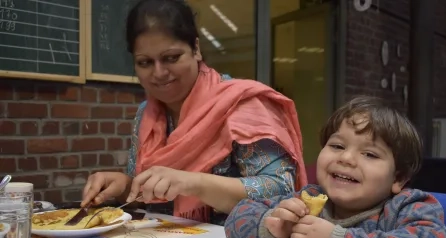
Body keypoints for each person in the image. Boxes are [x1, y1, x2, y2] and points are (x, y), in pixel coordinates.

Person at [80, 0, 307, 225]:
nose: (159, 72)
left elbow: (281, 190)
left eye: (171, 58)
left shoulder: (240, 105)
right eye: (145, 62)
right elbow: (146, 197)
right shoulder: (146, 116)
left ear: (196, 49)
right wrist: (124, 186)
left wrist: (195, 183)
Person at [224, 96, 446, 238]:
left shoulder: (405, 207)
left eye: (370, 154)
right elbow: (237, 219)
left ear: (399, 178)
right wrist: (271, 227)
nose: (346, 157)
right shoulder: (310, 199)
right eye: (337, 145)